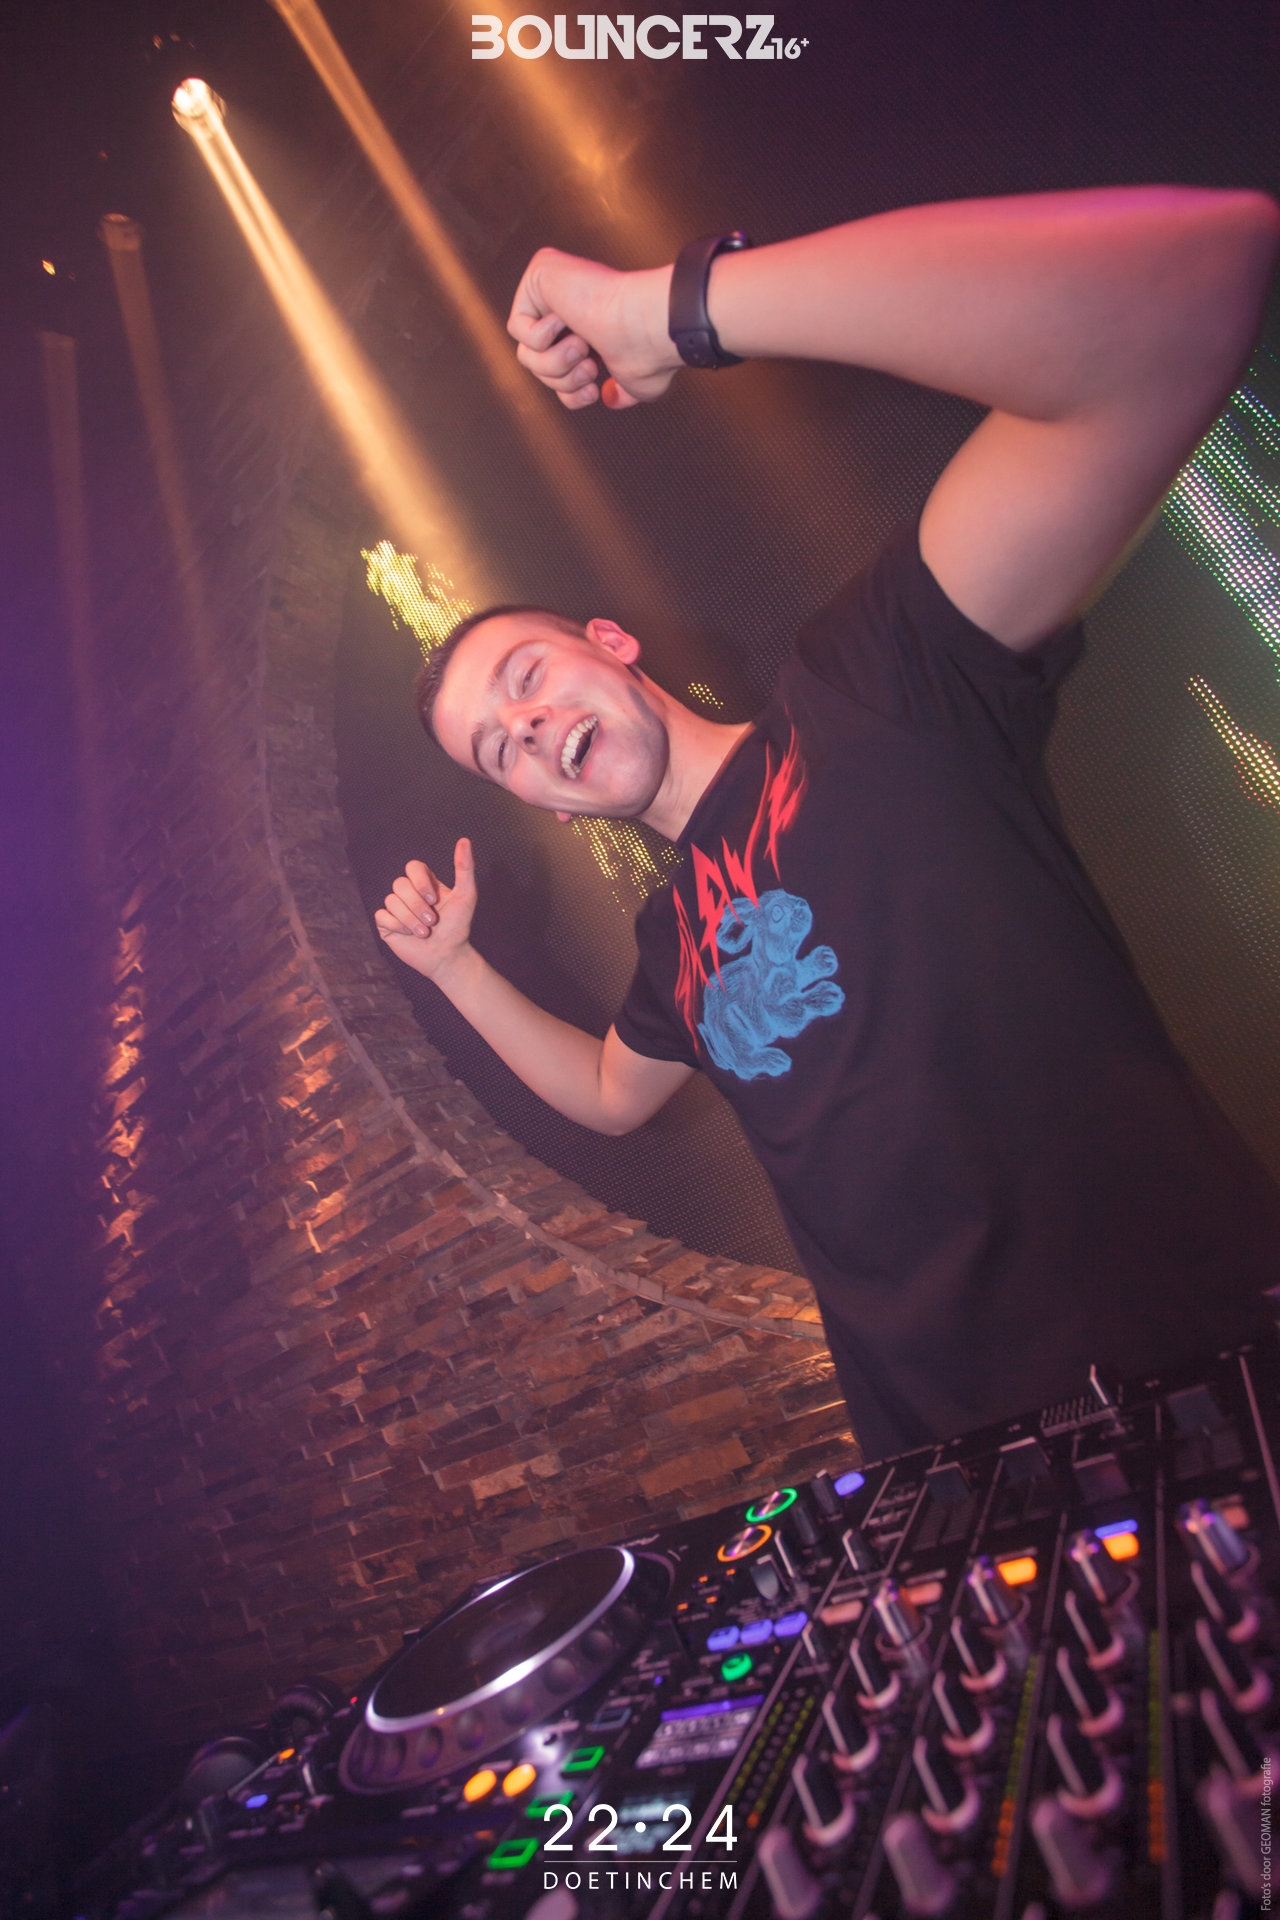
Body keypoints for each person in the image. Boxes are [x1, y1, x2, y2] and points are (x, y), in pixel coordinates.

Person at [375, 189, 1280, 1459]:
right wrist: (451, 969)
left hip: (1197, 1378)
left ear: (610, 643)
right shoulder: (672, 936)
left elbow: (1190, 282)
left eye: (523, 678)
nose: (520, 731)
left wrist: (677, 310)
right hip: (951, 1462)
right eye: (493, 750)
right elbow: (610, 1094)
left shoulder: (865, 687)